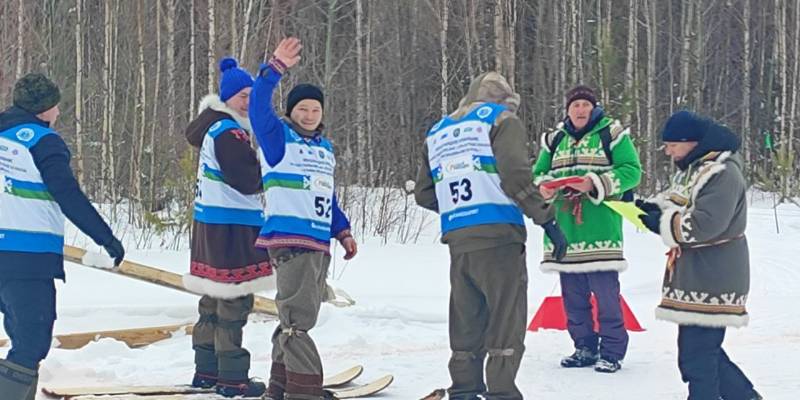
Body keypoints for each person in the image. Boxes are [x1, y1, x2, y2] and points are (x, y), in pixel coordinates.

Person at [415, 71, 567, 400]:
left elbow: (424, 194)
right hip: (499, 237)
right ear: (505, 100)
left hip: (459, 237)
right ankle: (500, 392)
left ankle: (464, 389)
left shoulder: (439, 130)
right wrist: (547, 219)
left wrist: (462, 210)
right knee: (505, 319)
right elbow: (514, 175)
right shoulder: (502, 120)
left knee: (466, 319)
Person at [0, 73, 125, 399]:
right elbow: (67, 193)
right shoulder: (42, 140)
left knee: (22, 336)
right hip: (27, 257)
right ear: (46, 109)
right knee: (32, 340)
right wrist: (105, 237)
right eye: (56, 107)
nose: (58, 113)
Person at [249, 37, 358, 400]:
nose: (309, 115)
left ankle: (280, 387)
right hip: (290, 239)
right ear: (292, 111)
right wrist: (275, 68)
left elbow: (326, 196)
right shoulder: (278, 139)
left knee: (290, 321)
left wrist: (341, 231)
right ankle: (305, 391)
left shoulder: (324, 148)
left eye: (315, 110)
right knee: (299, 322)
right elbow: (257, 107)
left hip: (317, 243)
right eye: (303, 109)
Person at [637, 111, 762, 400]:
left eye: (672, 146)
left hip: (715, 275)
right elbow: (678, 199)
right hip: (696, 275)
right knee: (701, 353)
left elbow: (705, 224)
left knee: (698, 357)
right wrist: (650, 208)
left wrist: (662, 223)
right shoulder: (694, 167)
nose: (668, 152)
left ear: (691, 143)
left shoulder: (722, 172)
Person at [532, 85, 641, 373]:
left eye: (585, 105)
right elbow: (537, 173)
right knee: (572, 295)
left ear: (594, 108)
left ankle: (612, 352)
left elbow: (632, 170)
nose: (580, 110)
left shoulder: (612, 135)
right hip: (564, 228)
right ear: (567, 110)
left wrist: (593, 183)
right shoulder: (554, 140)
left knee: (605, 294)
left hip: (601, 229)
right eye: (575, 105)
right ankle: (584, 346)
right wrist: (543, 188)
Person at [183, 57, 273, 398]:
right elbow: (247, 180)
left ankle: (206, 370)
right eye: (242, 96)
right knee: (233, 300)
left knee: (212, 299)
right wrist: (271, 168)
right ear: (227, 99)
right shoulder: (230, 131)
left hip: (209, 223)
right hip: (233, 225)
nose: (248, 102)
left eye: (252, 95)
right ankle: (232, 376)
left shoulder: (213, 127)